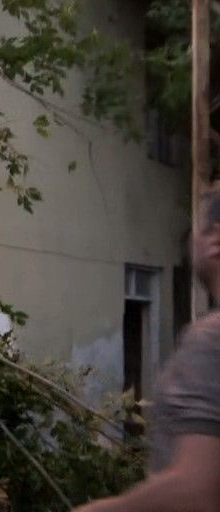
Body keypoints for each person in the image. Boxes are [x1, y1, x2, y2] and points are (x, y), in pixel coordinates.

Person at [73, 189, 220, 511]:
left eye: (195, 230)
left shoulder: (211, 341)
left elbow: (195, 492)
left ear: (215, 239)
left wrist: (102, 510)